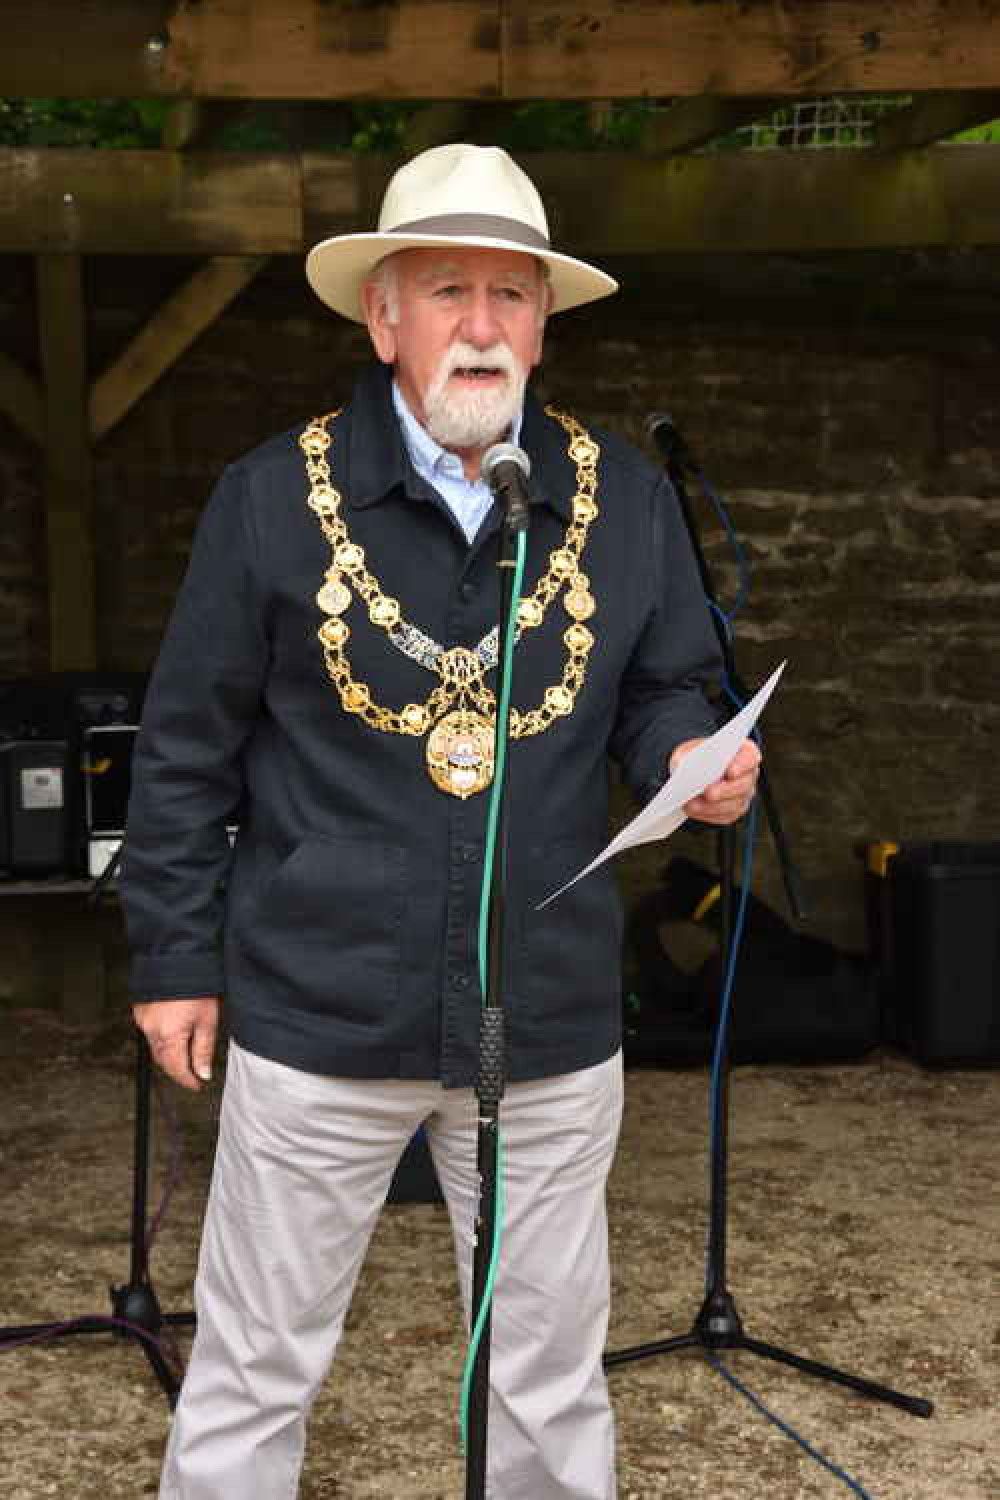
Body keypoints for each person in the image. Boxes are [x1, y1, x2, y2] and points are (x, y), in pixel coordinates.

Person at [122, 143, 760, 1500]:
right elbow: (185, 754)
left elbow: (665, 690)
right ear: (383, 316)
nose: (484, 326)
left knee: (545, 1376)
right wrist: (174, 959)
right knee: (252, 1367)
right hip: (317, 1004)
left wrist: (693, 754)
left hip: (543, 1012)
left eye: (513, 297)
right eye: (450, 290)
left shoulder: (622, 502)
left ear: (545, 321)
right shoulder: (267, 498)